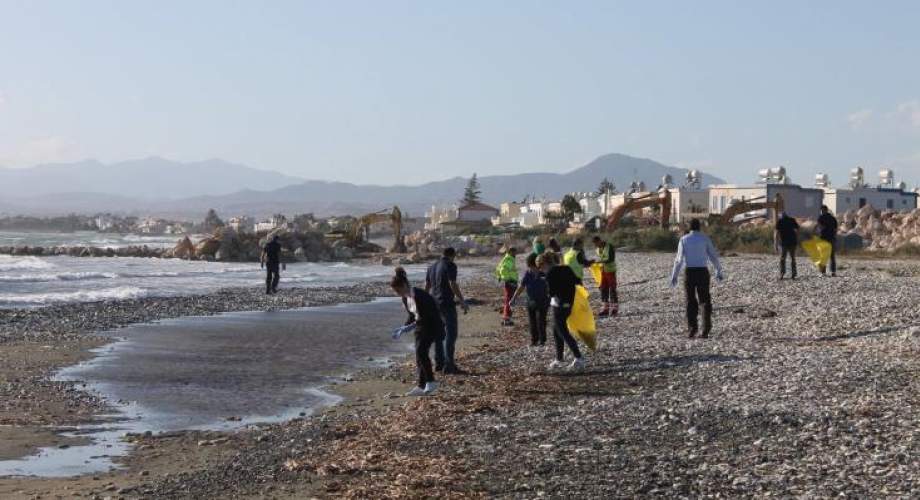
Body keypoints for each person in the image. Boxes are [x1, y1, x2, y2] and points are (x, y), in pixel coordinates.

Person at [391, 268, 442, 396]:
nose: (397, 293)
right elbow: (412, 316)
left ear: (404, 285)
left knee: (421, 352)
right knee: (418, 356)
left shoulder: (419, 295)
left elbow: (428, 315)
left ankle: (431, 381)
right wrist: (403, 328)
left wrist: (410, 326)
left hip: (432, 326)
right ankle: (421, 385)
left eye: (398, 290)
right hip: (420, 327)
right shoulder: (405, 298)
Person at [670, 219, 723, 339]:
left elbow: (679, 260)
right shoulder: (705, 238)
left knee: (690, 300)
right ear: (699, 227)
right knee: (705, 300)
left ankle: (692, 328)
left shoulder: (684, 239)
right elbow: (713, 256)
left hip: (690, 272)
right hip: (703, 271)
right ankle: (706, 329)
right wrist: (718, 270)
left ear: (689, 228)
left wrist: (674, 275)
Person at [425, 247, 469, 374]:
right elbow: (452, 283)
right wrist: (462, 300)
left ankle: (439, 363)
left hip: (434, 304)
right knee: (451, 334)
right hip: (447, 303)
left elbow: (427, 287)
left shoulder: (432, 267)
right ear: (452, 255)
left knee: (439, 335)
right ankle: (449, 365)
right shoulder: (450, 265)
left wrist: (425, 302)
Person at [540, 252, 586, 370]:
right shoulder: (566, 268)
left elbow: (551, 293)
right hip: (569, 304)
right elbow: (578, 281)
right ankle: (559, 358)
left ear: (545, 264)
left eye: (541, 267)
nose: (541, 270)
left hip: (558, 306)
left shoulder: (550, 274)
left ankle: (579, 357)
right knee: (556, 331)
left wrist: (546, 286)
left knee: (562, 332)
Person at [510, 253, 549, 346]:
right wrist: (513, 298)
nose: (530, 269)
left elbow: (551, 286)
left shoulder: (544, 273)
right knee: (532, 322)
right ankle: (534, 340)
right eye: (529, 267)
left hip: (543, 301)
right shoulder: (528, 273)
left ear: (537, 265)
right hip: (530, 301)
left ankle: (542, 340)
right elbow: (521, 287)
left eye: (532, 267)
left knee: (541, 321)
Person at [592, 235, 619, 317]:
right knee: (603, 288)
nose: (596, 246)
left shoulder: (609, 247)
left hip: (610, 270)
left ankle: (614, 309)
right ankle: (605, 309)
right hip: (603, 270)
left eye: (597, 243)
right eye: (595, 244)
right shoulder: (597, 249)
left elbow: (611, 258)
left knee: (612, 289)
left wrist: (599, 261)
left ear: (599, 241)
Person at [495, 246, 519, 326]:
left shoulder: (506, 258)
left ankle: (506, 317)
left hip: (510, 282)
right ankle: (506, 318)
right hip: (510, 282)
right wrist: (507, 280)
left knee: (508, 300)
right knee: (509, 300)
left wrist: (499, 277)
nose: (516, 253)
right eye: (515, 252)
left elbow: (498, 268)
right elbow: (503, 269)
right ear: (511, 252)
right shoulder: (509, 259)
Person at [775, 212, 799, 279]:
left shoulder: (780, 221)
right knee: (793, 258)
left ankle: (782, 273)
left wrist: (775, 244)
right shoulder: (792, 220)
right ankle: (793, 273)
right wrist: (796, 237)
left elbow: (776, 233)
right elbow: (797, 229)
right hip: (793, 242)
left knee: (782, 258)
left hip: (784, 243)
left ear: (781, 216)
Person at [816, 205, 838, 277]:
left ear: (823, 210)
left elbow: (820, 228)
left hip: (823, 239)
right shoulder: (833, 218)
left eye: (821, 210)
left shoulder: (821, 218)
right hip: (831, 238)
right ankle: (833, 272)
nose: (821, 212)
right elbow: (835, 229)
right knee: (832, 256)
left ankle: (823, 272)